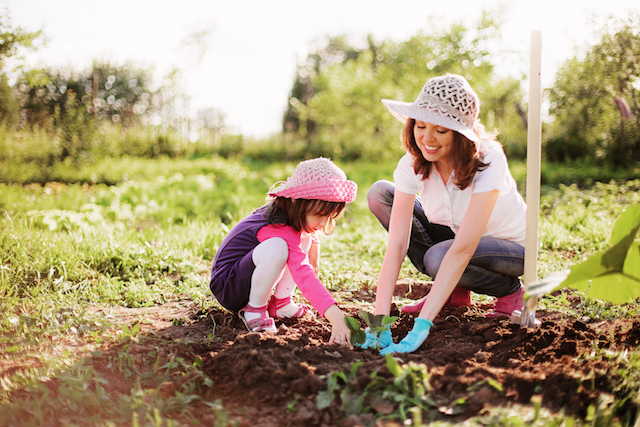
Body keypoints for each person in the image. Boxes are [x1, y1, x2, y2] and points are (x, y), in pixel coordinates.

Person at [366, 74, 527, 355]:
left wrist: (421, 326)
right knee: (381, 194)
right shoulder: (412, 163)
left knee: (440, 258)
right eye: (421, 125)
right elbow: (398, 244)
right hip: (455, 235)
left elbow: (462, 249)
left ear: (461, 134)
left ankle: (510, 291)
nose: (427, 138)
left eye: (441, 130)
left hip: (510, 249)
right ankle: (453, 291)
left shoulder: (488, 159)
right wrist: (379, 323)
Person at [209, 157, 357, 347]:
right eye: (320, 215)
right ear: (297, 200)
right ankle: (254, 310)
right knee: (278, 247)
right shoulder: (276, 225)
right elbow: (303, 274)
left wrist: (314, 244)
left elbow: (304, 237)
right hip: (229, 286)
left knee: (304, 237)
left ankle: (281, 304)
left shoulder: (290, 214)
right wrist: (335, 316)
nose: (323, 223)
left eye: (329, 217)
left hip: (245, 277)